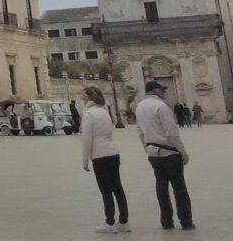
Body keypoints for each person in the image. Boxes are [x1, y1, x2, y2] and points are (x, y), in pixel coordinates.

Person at [136, 81, 194, 231]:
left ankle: (166, 221)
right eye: (162, 90)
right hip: (169, 153)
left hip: (153, 153)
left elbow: (140, 132)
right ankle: (186, 221)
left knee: (161, 187)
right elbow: (172, 132)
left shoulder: (140, 107)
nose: (164, 93)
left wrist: (147, 149)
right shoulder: (161, 106)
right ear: (155, 91)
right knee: (179, 188)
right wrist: (182, 151)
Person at [81, 86, 130, 234]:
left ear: (89, 97)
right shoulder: (104, 112)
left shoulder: (89, 114)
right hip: (113, 152)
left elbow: (86, 139)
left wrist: (85, 161)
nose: (81, 97)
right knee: (118, 188)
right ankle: (124, 221)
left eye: (83, 95)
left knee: (105, 190)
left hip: (100, 155)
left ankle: (110, 222)